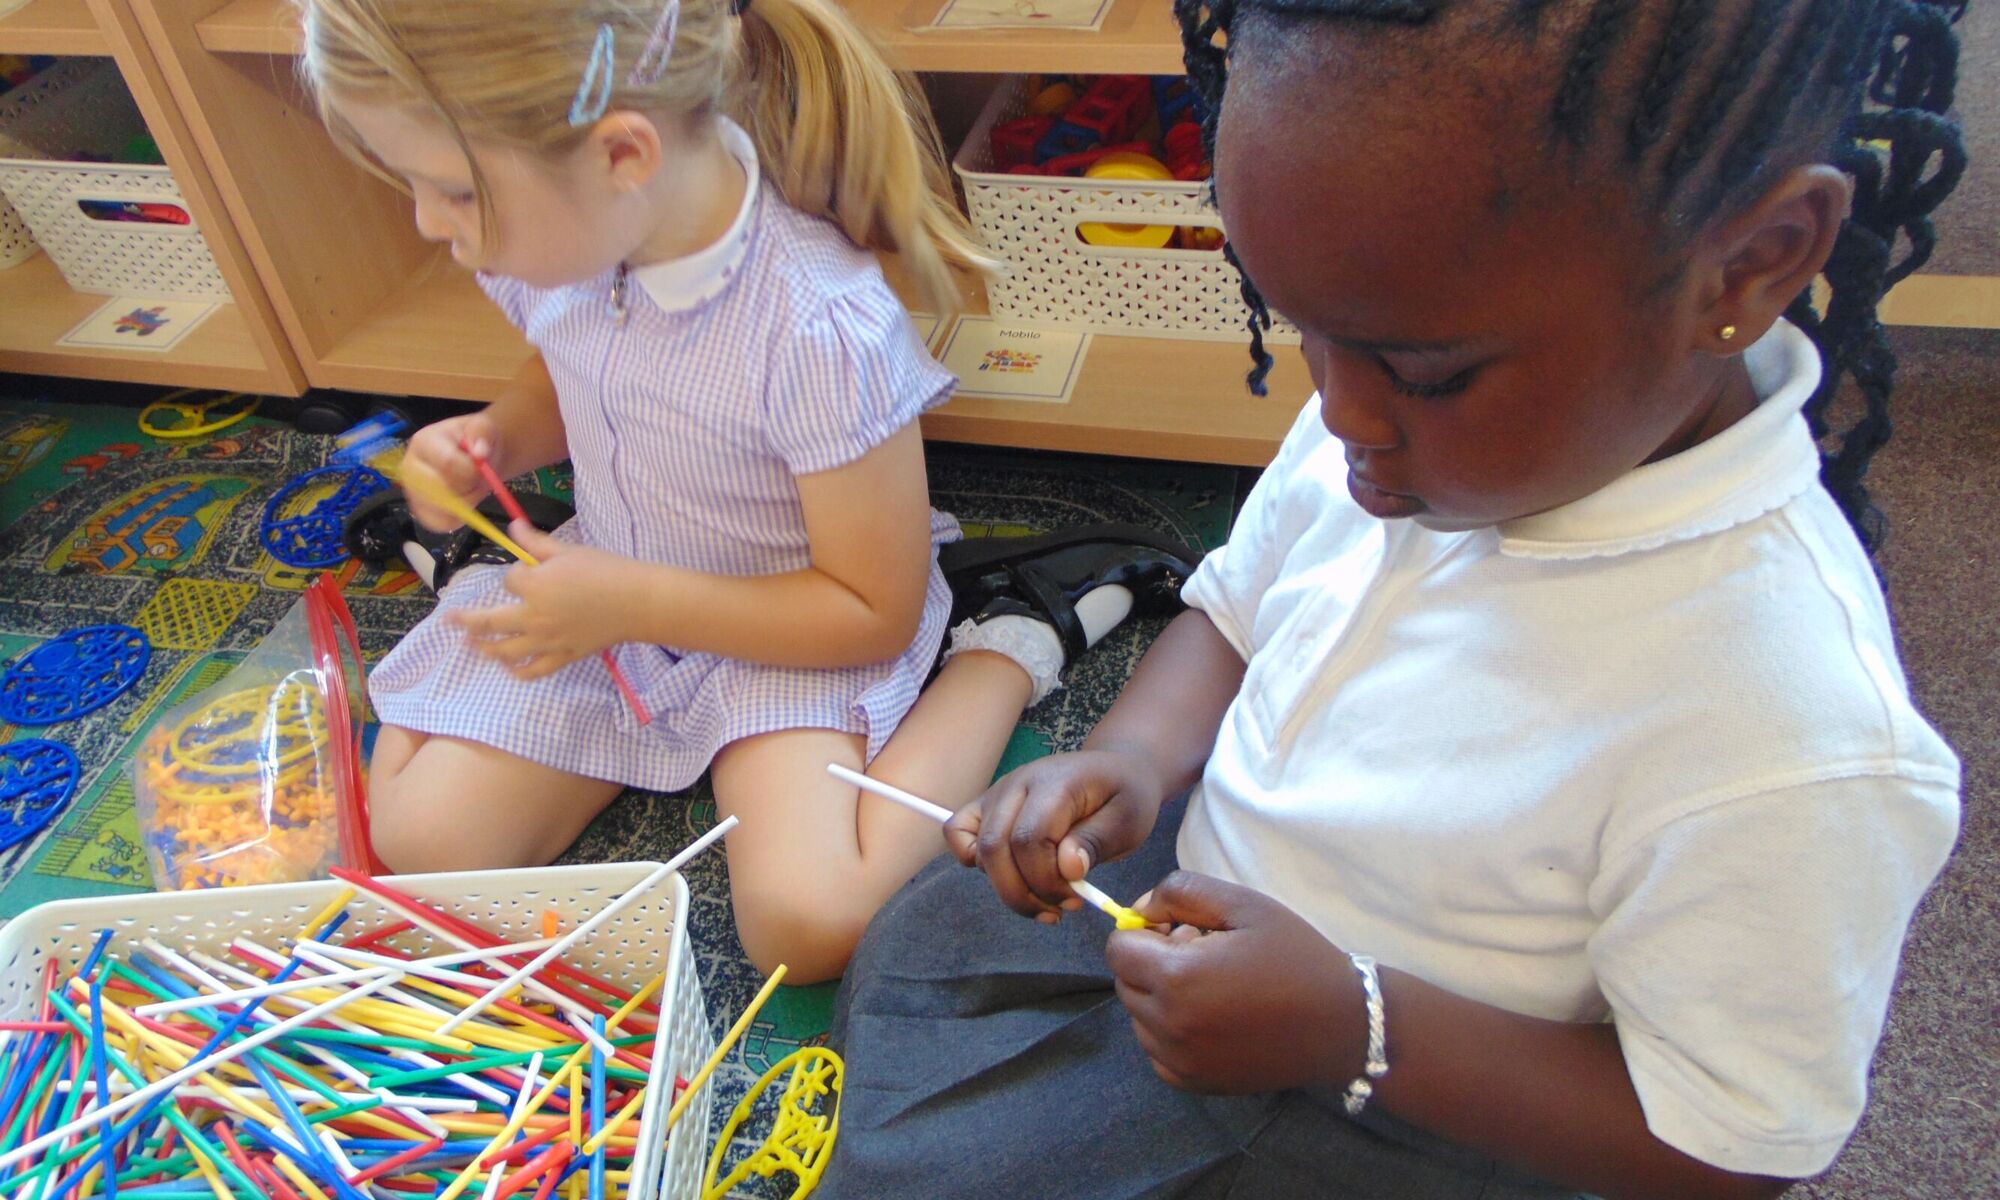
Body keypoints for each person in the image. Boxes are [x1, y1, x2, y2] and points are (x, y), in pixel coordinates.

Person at [820, 0, 1968, 1195]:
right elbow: (1234, 611)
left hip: (1423, 1103)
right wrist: (1132, 758)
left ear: (1751, 263)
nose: (1340, 415)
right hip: (1234, 902)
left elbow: (1731, 1143)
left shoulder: (1788, 736)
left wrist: (1359, 1032)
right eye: (1300, 330)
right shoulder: (1387, 403)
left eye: (1428, 372)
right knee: (933, 939)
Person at [299, 0, 1196, 982]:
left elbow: (869, 610)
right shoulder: (570, 222)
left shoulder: (817, 326)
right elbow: (565, 369)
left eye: (451, 193)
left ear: (624, 155)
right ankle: (496, 568)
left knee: (805, 926)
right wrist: (495, 439)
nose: (431, 226)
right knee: (424, 839)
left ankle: (1012, 637)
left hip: (794, 623)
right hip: (613, 593)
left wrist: (626, 601)